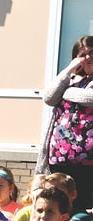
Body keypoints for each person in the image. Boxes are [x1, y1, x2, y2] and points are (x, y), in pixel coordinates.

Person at [41, 35, 93, 210]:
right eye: (83, 55)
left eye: (92, 52)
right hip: (60, 158)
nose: (88, 58)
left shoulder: (68, 88)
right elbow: (48, 97)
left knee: (83, 207)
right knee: (58, 206)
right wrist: (69, 70)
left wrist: (65, 92)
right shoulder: (71, 80)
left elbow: (89, 98)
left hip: (87, 162)